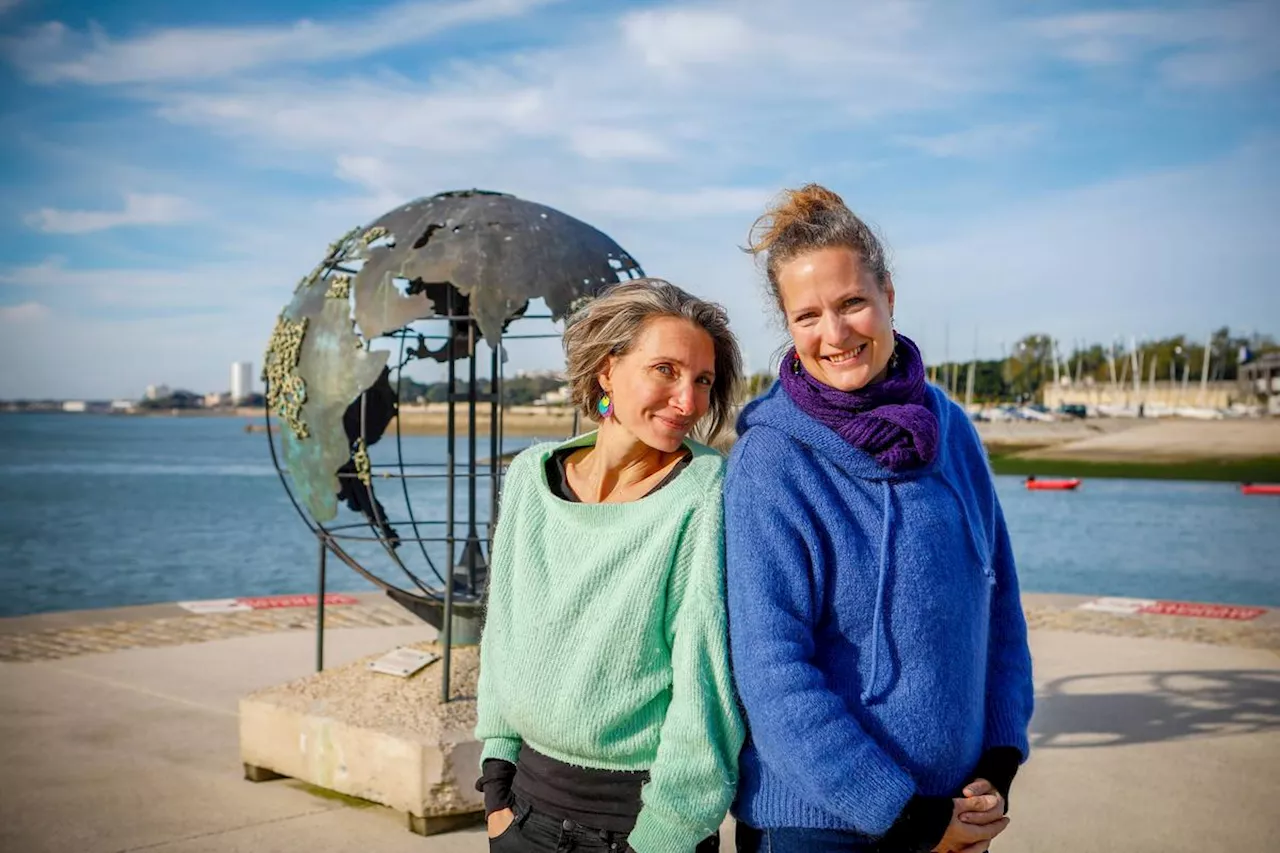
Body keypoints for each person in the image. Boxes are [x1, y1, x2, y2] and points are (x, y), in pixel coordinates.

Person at [724, 185, 1035, 853]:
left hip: (954, 816)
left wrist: (999, 762)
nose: (833, 334)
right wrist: (908, 818)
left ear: (888, 295)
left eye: (851, 303)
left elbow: (999, 604)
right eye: (806, 315)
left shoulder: (950, 428)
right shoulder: (771, 460)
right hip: (813, 825)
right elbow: (772, 670)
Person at [475, 278, 746, 853]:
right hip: (521, 812)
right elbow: (503, 631)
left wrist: (665, 836)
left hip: (636, 828)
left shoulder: (705, 493)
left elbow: (707, 685)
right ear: (606, 370)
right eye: (666, 370)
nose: (689, 402)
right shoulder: (529, 476)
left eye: (702, 381)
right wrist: (496, 785)